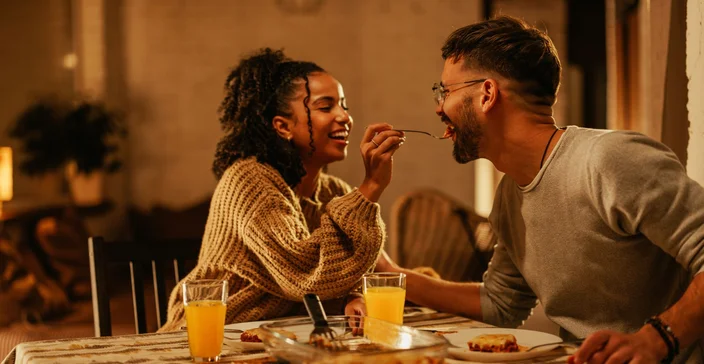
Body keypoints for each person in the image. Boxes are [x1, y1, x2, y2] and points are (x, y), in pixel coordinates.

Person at [350, 16, 704, 363]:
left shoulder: (610, 160)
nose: (439, 107)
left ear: (487, 94)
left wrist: (659, 339)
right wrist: (388, 273)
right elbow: (500, 305)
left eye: (445, 91)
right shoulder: (509, 195)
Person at [159, 48, 405, 331]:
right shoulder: (249, 181)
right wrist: (371, 185)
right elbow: (305, 277)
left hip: (285, 337)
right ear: (283, 126)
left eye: (344, 105)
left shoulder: (334, 192)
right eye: (326, 107)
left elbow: (346, 274)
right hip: (209, 337)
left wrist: (352, 298)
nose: (345, 117)